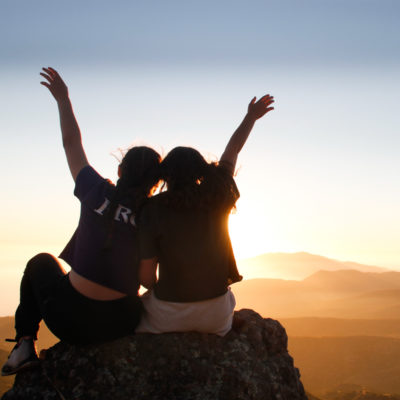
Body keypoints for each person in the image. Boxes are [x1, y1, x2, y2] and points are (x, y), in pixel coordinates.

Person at [1, 68, 161, 376]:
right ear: (155, 184)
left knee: (40, 263)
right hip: (120, 325)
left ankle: (24, 346)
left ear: (120, 172)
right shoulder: (152, 216)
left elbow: (70, 143)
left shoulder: (95, 190)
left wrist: (63, 99)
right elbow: (146, 280)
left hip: (68, 320)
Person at [136, 94, 274, 336]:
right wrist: (251, 117)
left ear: (166, 176)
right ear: (200, 171)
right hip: (217, 317)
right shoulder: (217, 196)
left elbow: (147, 279)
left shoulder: (153, 209)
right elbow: (232, 152)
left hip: (168, 316)